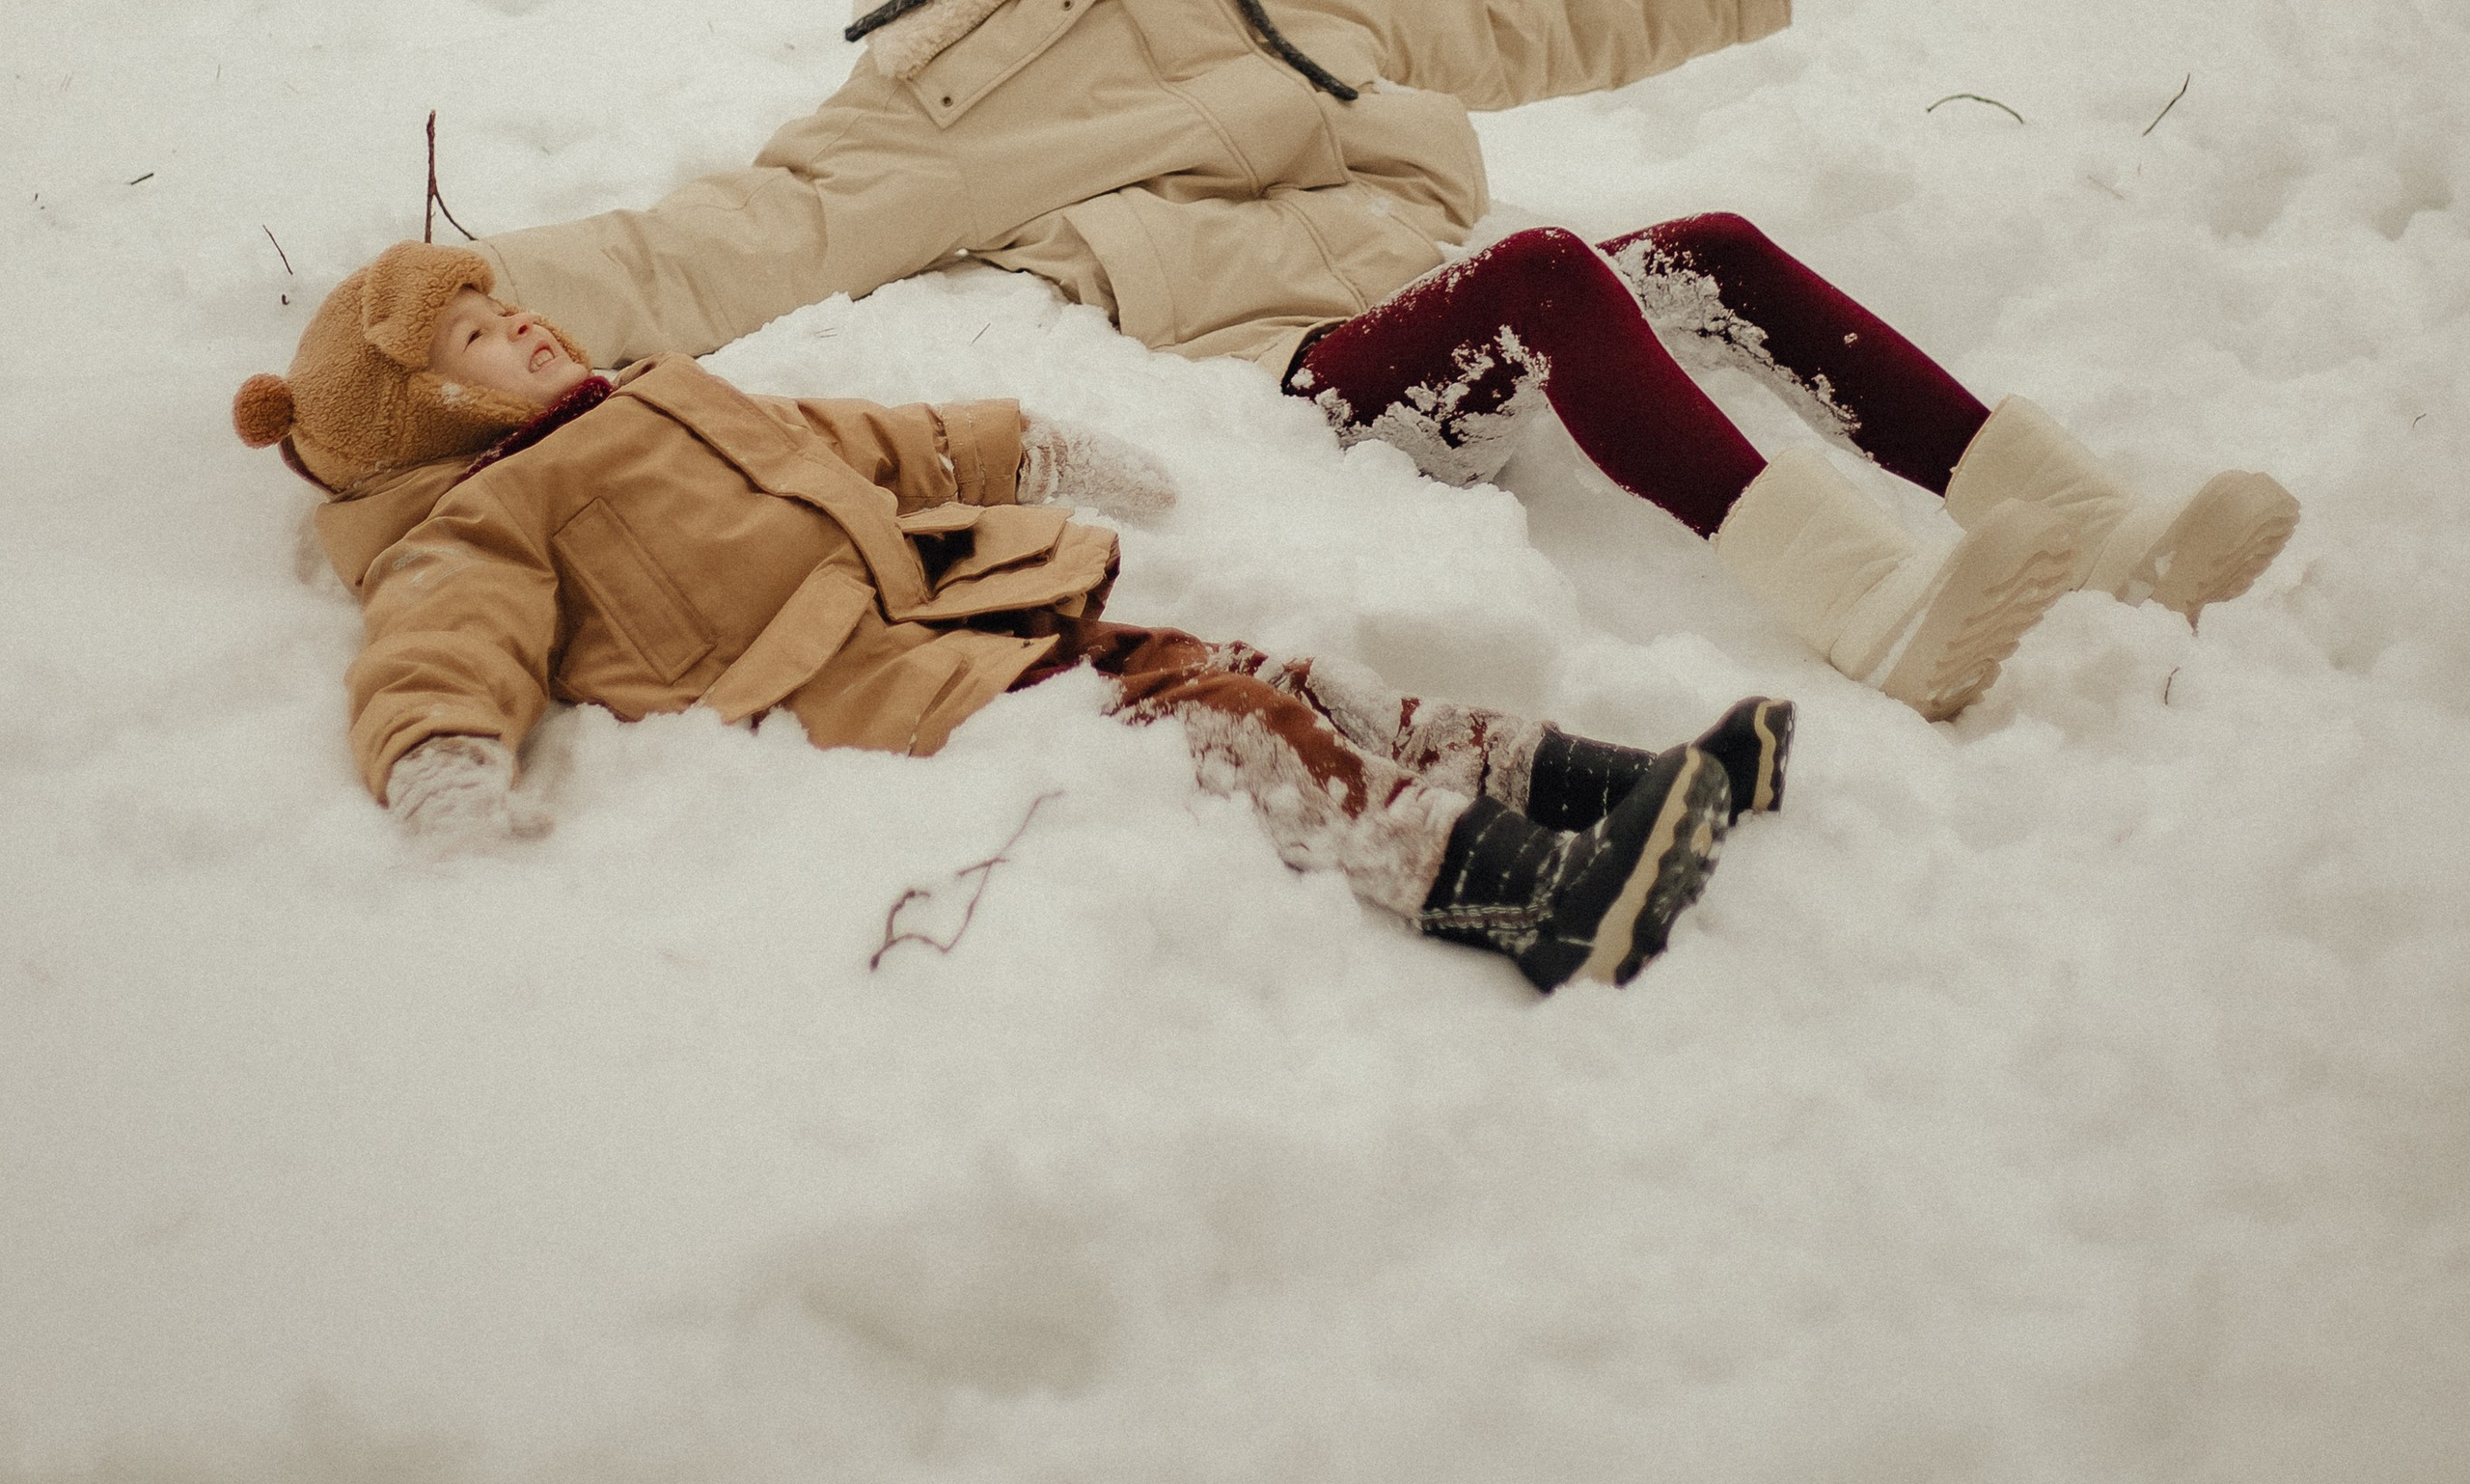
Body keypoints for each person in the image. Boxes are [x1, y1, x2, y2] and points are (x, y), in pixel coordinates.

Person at [471, 0, 2299, 726]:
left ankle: (2086, 528)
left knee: (1715, 248)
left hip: (1415, 309)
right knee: (1560, 278)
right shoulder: (967, 44)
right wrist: (479, 304)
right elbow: (760, 222)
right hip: (1294, 380)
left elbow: (1525, 2)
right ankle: (1879, 615)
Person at [234, 241, 1793, 995]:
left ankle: (1603, 785)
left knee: (1272, 673)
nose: (528, 326)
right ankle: (1521, 890)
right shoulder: (482, 516)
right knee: (1224, 725)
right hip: (875, 678)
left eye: (513, 306)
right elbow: (441, 641)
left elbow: (855, 441)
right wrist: (441, 752)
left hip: (960, 604)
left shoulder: (659, 398)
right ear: (434, 415)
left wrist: (1018, 443)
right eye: (486, 343)